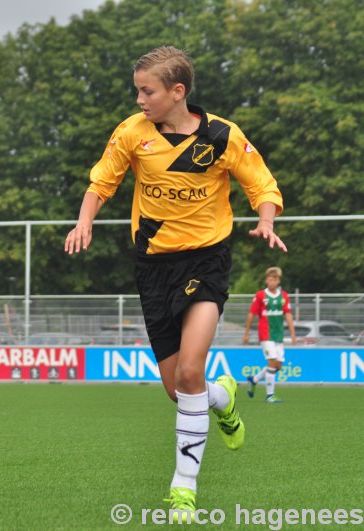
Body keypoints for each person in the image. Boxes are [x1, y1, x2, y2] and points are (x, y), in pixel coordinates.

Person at [64, 46, 287, 520]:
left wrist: (266, 220)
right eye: (138, 90)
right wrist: (84, 221)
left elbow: (261, 184)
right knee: (179, 387)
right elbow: (101, 183)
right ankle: (222, 397)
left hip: (207, 261)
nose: (140, 99)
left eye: (148, 91)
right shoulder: (131, 132)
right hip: (152, 268)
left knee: (189, 373)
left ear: (177, 91)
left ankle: (183, 487)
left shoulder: (222, 136)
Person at [242, 266, 297, 403]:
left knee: (278, 366)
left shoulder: (284, 296)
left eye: (275, 279)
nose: (272, 282)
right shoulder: (260, 295)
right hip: (265, 334)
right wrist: (246, 333)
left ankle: (253, 380)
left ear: (278, 281)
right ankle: (269, 395)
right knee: (271, 362)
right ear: (266, 280)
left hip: (278, 335)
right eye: (269, 279)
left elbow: (288, 314)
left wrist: (293, 333)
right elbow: (251, 314)